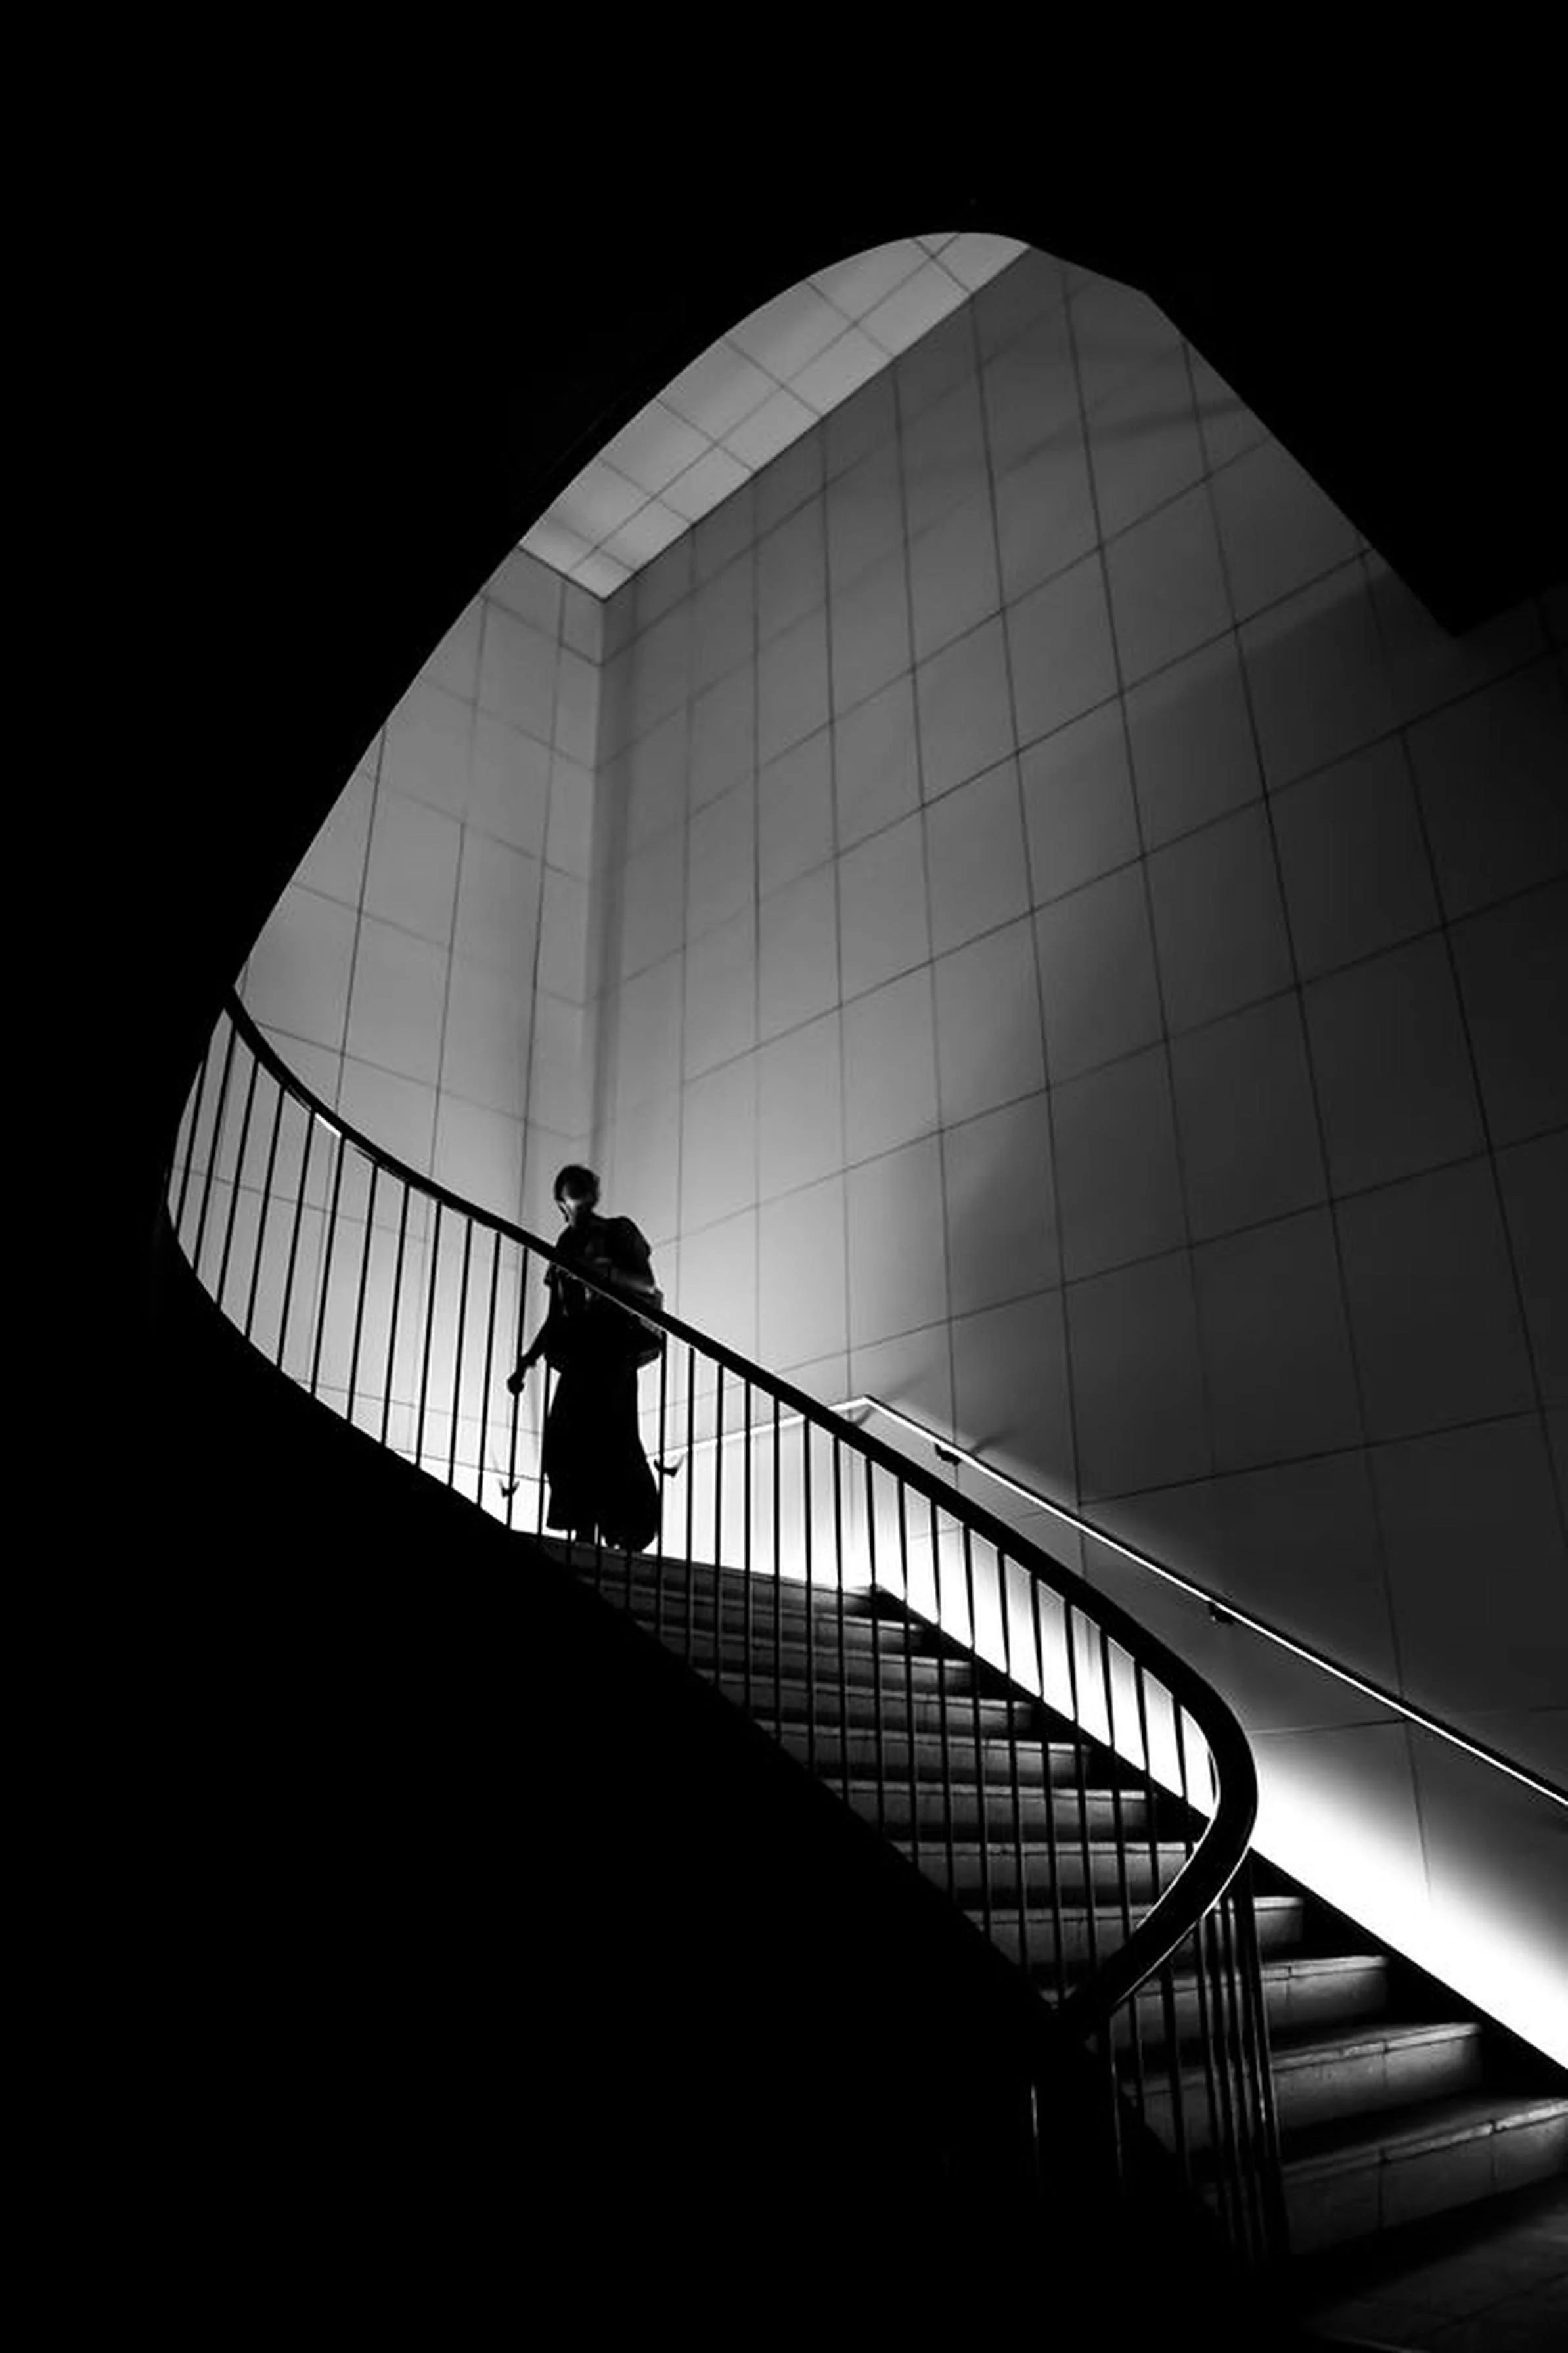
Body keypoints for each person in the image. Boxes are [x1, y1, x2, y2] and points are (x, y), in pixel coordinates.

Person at [505, 1165, 662, 1552]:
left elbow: (646, 1284)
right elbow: (557, 1314)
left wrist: (604, 1272)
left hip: (612, 1348)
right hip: (579, 1353)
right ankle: (584, 1530)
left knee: (611, 1437)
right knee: (566, 1440)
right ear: (562, 1201)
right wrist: (529, 1360)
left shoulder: (618, 1231)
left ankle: (623, 1528)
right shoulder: (563, 1246)